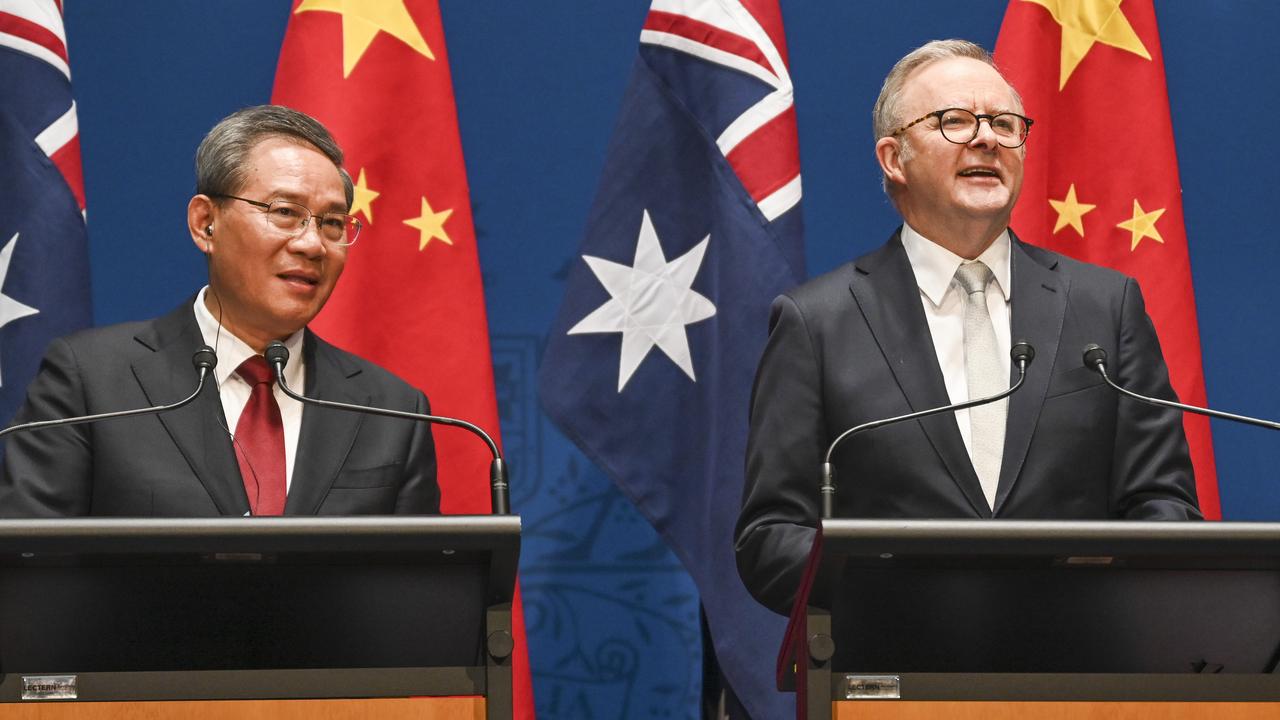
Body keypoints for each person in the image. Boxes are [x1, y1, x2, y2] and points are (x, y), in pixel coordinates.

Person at [735, 40, 1200, 615]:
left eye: (1005, 124)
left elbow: (1164, 503)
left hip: (1080, 672)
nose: (986, 138)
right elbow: (771, 536)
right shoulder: (818, 323)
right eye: (953, 121)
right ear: (893, 157)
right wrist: (909, 591)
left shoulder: (1107, 306)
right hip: (897, 677)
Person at [0, 105, 438, 517]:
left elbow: (418, 587)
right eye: (285, 212)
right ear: (205, 223)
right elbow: (29, 569)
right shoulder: (91, 382)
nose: (312, 244)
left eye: (332, 223)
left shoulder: (393, 412)